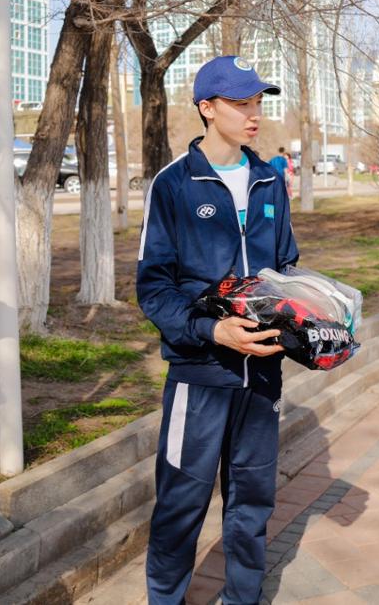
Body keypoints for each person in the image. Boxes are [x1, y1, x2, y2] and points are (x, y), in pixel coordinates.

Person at [137, 55, 298, 605]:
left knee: (253, 501)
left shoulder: (270, 180)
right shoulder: (174, 185)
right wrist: (212, 331)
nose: (254, 114)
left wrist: (313, 320)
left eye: (258, 102)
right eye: (240, 103)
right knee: (182, 501)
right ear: (207, 108)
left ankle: (243, 597)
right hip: (200, 373)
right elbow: (154, 289)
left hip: (263, 374)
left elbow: (286, 270)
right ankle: (166, 598)